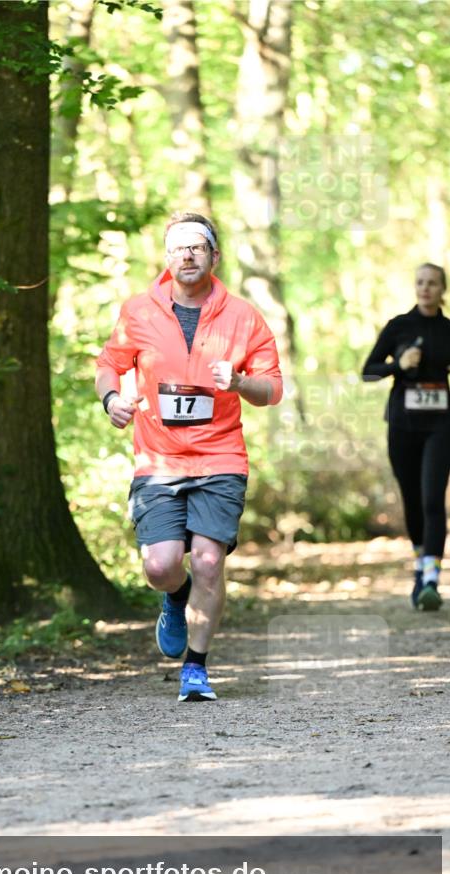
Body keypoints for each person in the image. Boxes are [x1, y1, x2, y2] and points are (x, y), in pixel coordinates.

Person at [95, 211, 283, 701]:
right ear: (167, 257)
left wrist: (241, 383)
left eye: (198, 246)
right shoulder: (138, 311)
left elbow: (272, 389)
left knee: (207, 561)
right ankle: (174, 599)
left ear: (214, 257)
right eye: (179, 247)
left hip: (220, 458)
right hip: (157, 461)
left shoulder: (243, 317)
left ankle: (195, 669)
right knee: (160, 566)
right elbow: (108, 367)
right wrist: (113, 401)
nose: (188, 254)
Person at [362, 263, 450, 610]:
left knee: (432, 498)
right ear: (415, 287)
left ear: (442, 290)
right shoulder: (398, 327)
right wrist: (398, 365)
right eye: (420, 282)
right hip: (403, 426)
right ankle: (421, 565)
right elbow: (368, 372)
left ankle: (431, 577)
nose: (426, 288)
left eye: (433, 283)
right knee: (413, 500)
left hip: (442, 426)